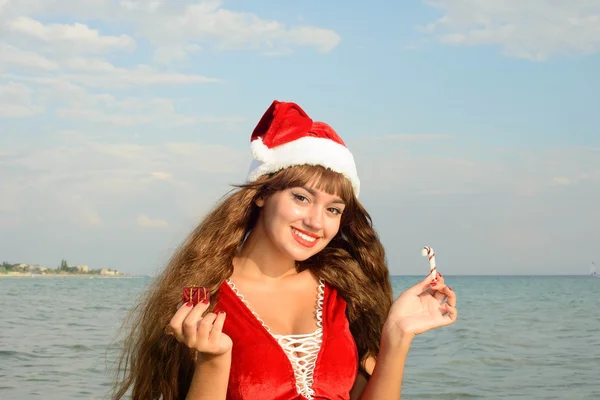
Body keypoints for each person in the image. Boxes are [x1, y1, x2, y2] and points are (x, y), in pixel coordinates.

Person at [112, 100, 458, 400]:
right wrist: (214, 361)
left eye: (333, 209)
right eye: (301, 197)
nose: (315, 222)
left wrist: (396, 335)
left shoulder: (347, 294)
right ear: (262, 193)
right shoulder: (203, 297)